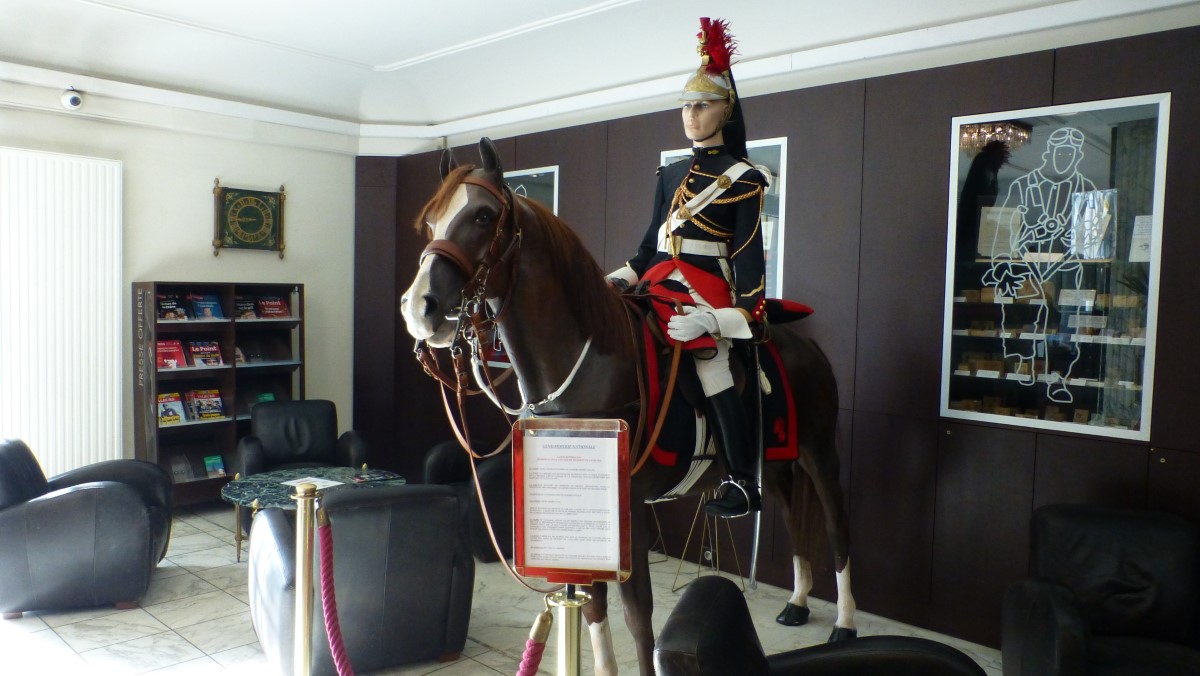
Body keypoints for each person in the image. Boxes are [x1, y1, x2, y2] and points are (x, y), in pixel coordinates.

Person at [607, 17, 766, 518]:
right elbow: (647, 248)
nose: (690, 115)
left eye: (701, 105)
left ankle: (741, 481)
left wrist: (716, 321)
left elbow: (750, 275)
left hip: (709, 293)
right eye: (685, 106)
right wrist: (617, 280)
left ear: (726, 108)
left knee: (710, 359)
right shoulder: (671, 173)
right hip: (657, 284)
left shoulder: (743, 179)